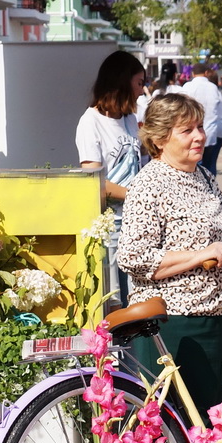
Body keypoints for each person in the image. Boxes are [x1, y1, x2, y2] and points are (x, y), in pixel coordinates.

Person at [117, 93, 222, 415]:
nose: (200, 136)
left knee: (205, 423)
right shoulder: (150, 184)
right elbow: (133, 257)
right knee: (175, 427)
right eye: (187, 130)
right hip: (173, 325)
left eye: (200, 127)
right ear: (160, 139)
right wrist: (199, 254)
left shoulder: (201, 176)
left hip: (212, 320)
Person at [76, 51, 146, 303]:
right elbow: (95, 184)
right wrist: (139, 196)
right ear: (122, 82)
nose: (142, 91)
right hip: (113, 229)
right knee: (117, 301)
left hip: (138, 224)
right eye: (139, 83)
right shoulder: (90, 123)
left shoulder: (129, 119)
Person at [181, 62, 222, 174]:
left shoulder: (187, 87)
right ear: (206, 73)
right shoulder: (213, 88)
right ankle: (211, 190)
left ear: (192, 73)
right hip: (212, 132)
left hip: (192, 134)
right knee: (210, 166)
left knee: (194, 168)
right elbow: (220, 112)